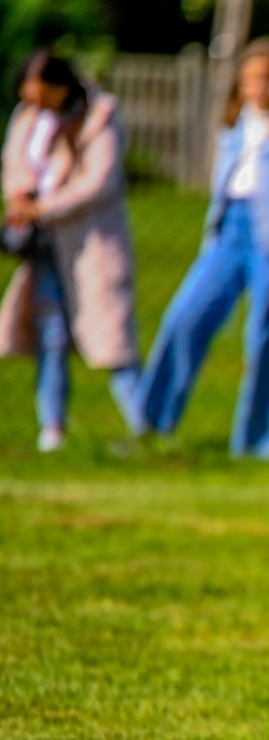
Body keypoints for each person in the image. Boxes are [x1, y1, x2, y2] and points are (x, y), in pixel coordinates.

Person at [135, 39, 269, 459]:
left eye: (267, 79)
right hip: (227, 234)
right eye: (251, 78)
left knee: (264, 341)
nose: (259, 87)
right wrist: (209, 243)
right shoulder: (233, 127)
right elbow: (220, 192)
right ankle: (152, 420)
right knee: (184, 317)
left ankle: (260, 443)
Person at [0, 50, 142, 451]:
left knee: (112, 337)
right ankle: (52, 427)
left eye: (40, 91)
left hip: (90, 244)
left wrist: (44, 207)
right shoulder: (28, 118)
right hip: (44, 245)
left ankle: (145, 425)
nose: (34, 100)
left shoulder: (98, 116)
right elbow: (14, 163)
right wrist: (19, 198)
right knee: (51, 334)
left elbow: (100, 181)